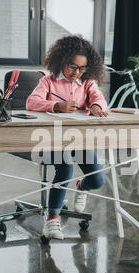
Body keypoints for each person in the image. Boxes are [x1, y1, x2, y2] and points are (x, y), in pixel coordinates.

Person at [26, 35, 108, 240]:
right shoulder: (48, 81)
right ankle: (52, 219)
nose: (76, 72)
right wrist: (56, 105)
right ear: (61, 61)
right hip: (52, 139)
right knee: (65, 167)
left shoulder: (87, 82)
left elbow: (98, 97)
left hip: (78, 139)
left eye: (82, 68)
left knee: (97, 179)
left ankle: (82, 186)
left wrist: (96, 106)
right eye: (72, 67)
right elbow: (31, 102)